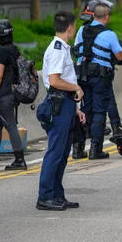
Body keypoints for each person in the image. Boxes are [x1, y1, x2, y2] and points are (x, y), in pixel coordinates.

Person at [37, 11, 86, 211]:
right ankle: (45, 196)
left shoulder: (63, 48)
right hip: (58, 105)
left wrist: (75, 109)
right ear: (71, 27)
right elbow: (55, 81)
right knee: (55, 153)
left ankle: (57, 195)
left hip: (66, 104)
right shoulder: (57, 49)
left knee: (63, 152)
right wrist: (76, 88)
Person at [78, 3, 122, 159]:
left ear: (92, 15)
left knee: (85, 111)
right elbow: (119, 57)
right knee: (99, 111)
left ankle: (77, 148)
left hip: (83, 75)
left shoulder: (82, 30)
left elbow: (77, 50)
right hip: (100, 78)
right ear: (107, 17)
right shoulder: (109, 34)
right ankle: (95, 150)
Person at [0, 20, 26, 170]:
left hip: (3, 96)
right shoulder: (14, 49)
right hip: (12, 94)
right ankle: (19, 159)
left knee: (10, 126)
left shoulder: (2, 52)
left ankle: (19, 159)